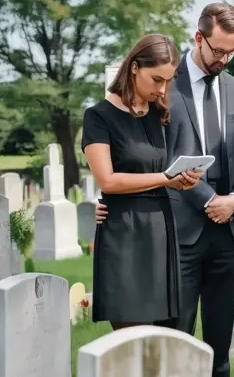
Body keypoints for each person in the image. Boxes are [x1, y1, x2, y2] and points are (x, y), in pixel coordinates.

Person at [94, 3, 234, 377]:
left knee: (220, 348)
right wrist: (207, 200)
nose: (223, 59)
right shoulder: (165, 82)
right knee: (175, 342)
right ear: (198, 38)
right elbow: (151, 154)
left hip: (229, 233)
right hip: (179, 233)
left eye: (231, 53)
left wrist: (233, 200)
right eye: (217, 50)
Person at [81, 34, 202, 331]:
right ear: (134, 68)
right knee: (131, 339)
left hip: (162, 231)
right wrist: (165, 180)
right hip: (124, 233)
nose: (161, 89)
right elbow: (107, 181)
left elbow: (168, 166)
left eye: (167, 81)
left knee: (166, 338)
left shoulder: (160, 114)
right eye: (155, 79)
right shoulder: (98, 116)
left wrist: (184, 179)